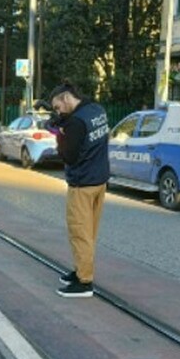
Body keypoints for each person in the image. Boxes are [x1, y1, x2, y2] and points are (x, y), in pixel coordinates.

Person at [46, 81, 110, 298]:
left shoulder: (75, 123)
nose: (58, 111)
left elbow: (68, 156)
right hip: (99, 180)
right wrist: (64, 123)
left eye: (57, 107)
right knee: (89, 231)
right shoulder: (97, 110)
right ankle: (81, 270)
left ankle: (84, 283)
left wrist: (58, 133)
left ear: (66, 98)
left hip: (82, 184)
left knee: (79, 232)